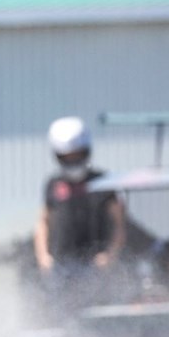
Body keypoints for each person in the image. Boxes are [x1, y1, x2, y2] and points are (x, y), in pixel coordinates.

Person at [34, 116, 126, 319]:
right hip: (61, 267)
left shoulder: (103, 182)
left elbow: (119, 224)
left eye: (77, 155)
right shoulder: (53, 184)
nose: (73, 161)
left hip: (94, 267)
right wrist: (43, 257)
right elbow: (43, 222)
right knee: (60, 316)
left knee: (96, 315)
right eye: (67, 157)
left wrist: (109, 255)